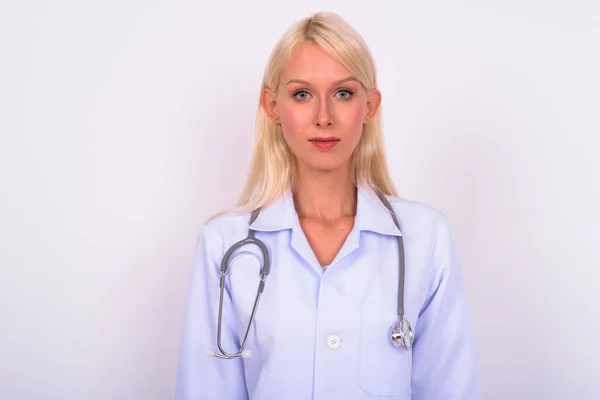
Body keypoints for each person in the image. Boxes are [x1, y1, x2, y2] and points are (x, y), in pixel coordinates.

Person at [175, 11, 479, 400]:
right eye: (302, 94)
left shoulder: (425, 237)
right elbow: (206, 389)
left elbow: (450, 389)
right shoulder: (225, 245)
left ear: (369, 106)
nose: (323, 117)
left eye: (343, 93)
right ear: (272, 106)